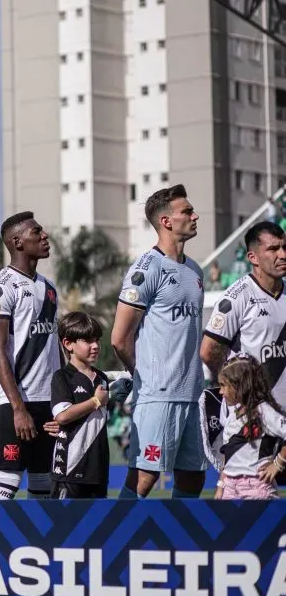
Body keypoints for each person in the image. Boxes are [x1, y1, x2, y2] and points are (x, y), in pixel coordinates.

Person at [111, 184, 207, 499]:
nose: (195, 216)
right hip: (158, 394)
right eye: (187, 212)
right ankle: (115, 543)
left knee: (193, 479)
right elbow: (119, 339)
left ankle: (182, 546)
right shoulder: (146, 269)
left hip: (193, 392)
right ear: (166, 221)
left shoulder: (194, 270)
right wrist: (144, 375)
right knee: (145, 477)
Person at [0, 212, 61, 500]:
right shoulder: (2, 286)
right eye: (36, 232)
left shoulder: (49, 288)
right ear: (17, 242)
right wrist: (18, 408)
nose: (44, 236)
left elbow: (53, 348)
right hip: (15, 401)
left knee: (43, 481)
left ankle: (38, 543)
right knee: (7, 482)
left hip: (48, 400)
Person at [201, 222, 286, 393]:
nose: (283, 254)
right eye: (273, 249)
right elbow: (208, 352)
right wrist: (238, 389)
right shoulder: (237, 297)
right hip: (253, 413)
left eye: (284, 247)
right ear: (253, 257)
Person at [50, 312, 110, 498]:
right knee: (62, 525)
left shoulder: (102, 378)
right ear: (68, 344)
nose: (95, 346)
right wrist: (95, 401)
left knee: (98, 526)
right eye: (88, 341)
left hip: (98, 470)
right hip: (70, 467)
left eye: (97, 340)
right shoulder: (62, 377)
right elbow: (63, 416)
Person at [213, 355, 286, 500]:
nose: (220, 392)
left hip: (257, 487)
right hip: (230, 488)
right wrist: (221, 487)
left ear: (239, 385)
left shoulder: (263, 412)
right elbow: (228, 457)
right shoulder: (233, 414)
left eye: (223, 385)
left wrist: (278, 464)